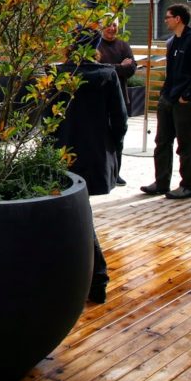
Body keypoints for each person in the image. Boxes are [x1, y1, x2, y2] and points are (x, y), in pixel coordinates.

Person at [54, 48, 129, 304]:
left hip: (62, 153)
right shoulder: (106, 75)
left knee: (75, 214)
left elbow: (46, 115)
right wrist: (114, 149)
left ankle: (97, 278)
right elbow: (120, 118)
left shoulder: (58, 74)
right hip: (95, 153)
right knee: (78, 214)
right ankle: (96, 279)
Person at [141, 3, 191, 200]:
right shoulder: (172, 42)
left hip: (185, 102)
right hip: (168, 98)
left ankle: (188, 186)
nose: (165, 20)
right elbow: (171, 72)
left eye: (168, 17)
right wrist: (165, 94)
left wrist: (186, 96)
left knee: (185, 143)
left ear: (178, 19)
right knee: (162, 141)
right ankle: (161, 183)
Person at [95, 17, 136, 185]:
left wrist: (113, 68)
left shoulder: (123, 45)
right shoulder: (95, 45)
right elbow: (98, 71)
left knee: (118, 137)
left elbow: (132, 68)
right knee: (99, 137)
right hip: (100, 101)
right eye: (107, 25)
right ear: (100, 27)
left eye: (114, 25)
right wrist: (120, 67)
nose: (111, 28)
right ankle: (101, 172)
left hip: (120, 98)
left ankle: (116, 173)